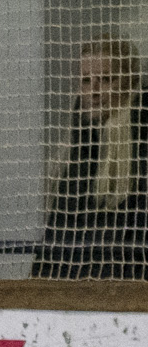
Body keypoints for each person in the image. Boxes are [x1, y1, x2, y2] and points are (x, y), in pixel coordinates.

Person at [35, 36, 148, 280]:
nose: (94, 92)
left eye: (107, 79)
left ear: (131, 82)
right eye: (86, 81)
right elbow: (55, 242)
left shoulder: (140, 153)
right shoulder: (77, 152)